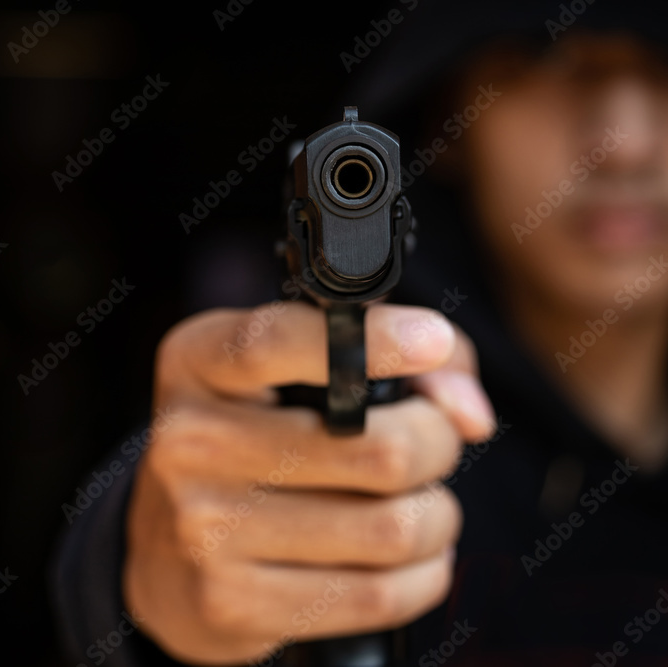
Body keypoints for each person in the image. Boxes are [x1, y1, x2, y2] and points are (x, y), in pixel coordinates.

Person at [53, 2, 668, 664]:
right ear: (449, 121)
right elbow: (183, 505)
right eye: (543, 60)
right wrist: (150, 575)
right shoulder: (373, 400)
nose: (623, 142)